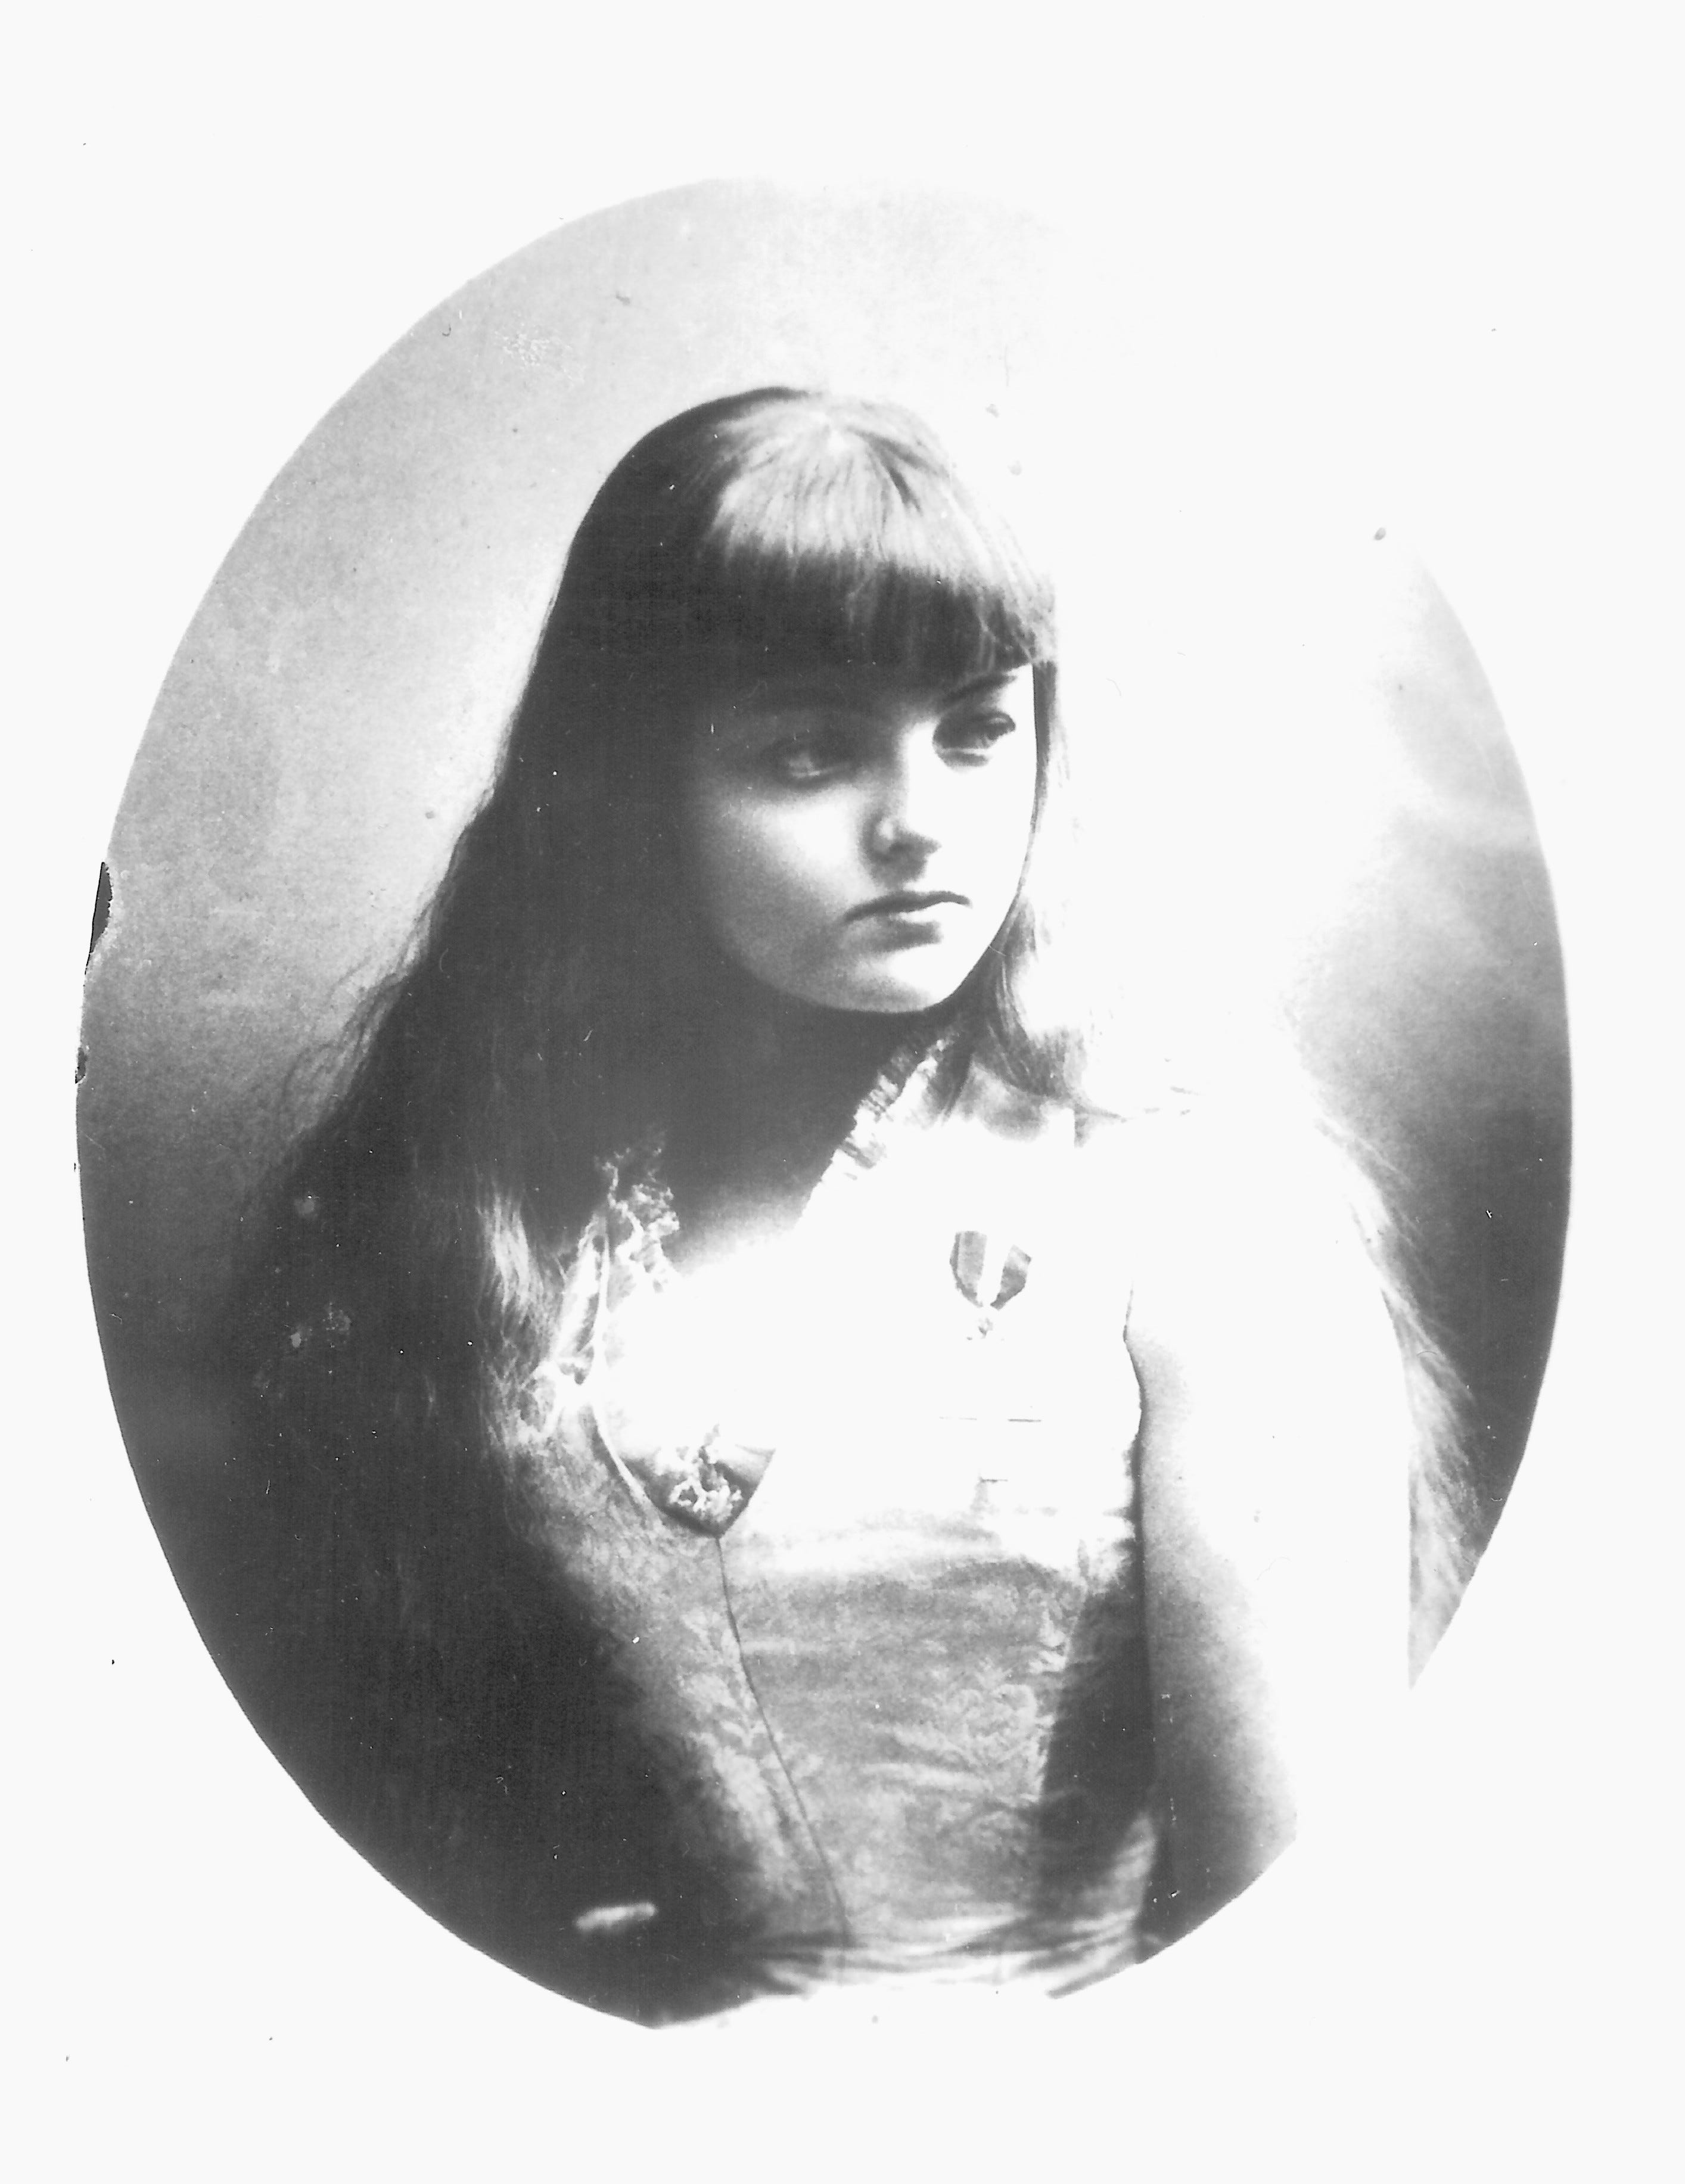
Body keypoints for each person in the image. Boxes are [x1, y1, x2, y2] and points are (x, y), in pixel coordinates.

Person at [223, 387, 1473, 2024]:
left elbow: (1292, 1950)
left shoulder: (1195, 1211)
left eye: (975, 730)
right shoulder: (505, 1204)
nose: (918, 823)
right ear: (635, 790)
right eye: (808, 750)